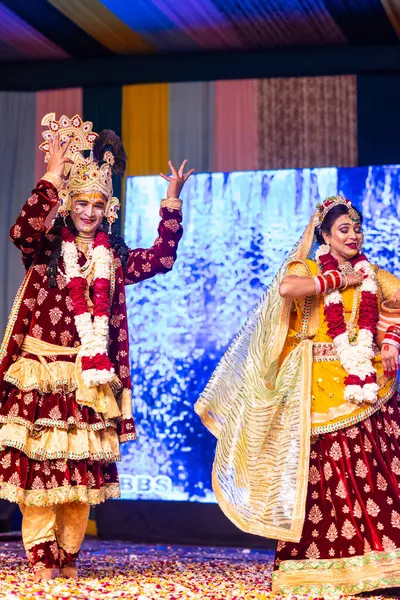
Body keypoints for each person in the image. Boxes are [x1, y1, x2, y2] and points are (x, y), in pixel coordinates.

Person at [0, 113, 193, 581]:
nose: (88, 210)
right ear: (69, 203)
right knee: (39, 474)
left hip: (90, 379)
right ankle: (41, 556)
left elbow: (163, 258)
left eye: (98, 203)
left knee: (79, 479)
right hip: (41, 372)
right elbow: (21, 230)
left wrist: (171, 201)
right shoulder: (46, 249)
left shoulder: (116, 258)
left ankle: (68, 555)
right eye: (81, 201)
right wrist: (51, 174)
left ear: (110, 208)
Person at [195, 195, 400, 596]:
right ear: (324, 235)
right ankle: (321, 571)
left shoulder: (374, 274)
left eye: (357, 228)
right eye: (343, 229)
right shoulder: (307, 268)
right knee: (322, 477)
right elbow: (287, 289)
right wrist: (339, 280)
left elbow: (398, 306)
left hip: (363, 381)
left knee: (377, 472)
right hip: (314, 387)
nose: (353, 235)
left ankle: (383, 566)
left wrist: (392, 341)